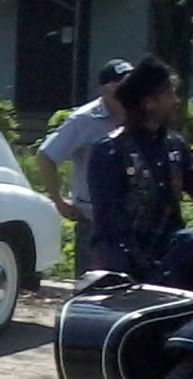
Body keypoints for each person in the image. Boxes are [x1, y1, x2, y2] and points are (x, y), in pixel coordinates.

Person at [86, 56, 193, 284]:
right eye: (169, 94)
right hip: (123, 257)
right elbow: (109, 218)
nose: (176, 101)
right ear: (149, 102)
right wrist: (138, 259)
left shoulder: (174, 146)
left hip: (167, 250)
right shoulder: (110, 151)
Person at [36, 58, 133, 270]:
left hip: (133, 219)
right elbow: (46, 156)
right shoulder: (84, 120)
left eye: (130, 83)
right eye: (119, 84)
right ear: (104, 89)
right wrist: (59, 201)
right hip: (94, 220)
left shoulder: (139, 116)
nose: (126, 90)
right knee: (92, 287)